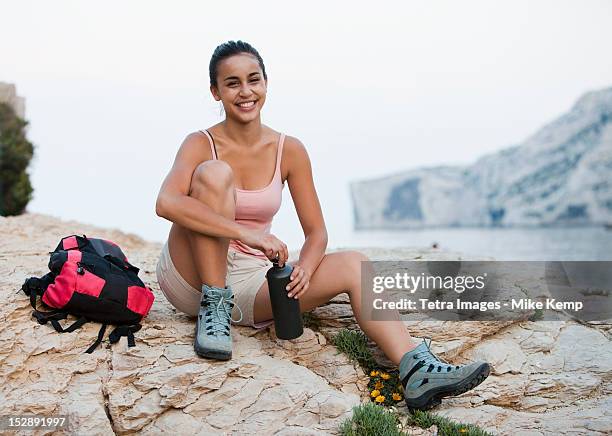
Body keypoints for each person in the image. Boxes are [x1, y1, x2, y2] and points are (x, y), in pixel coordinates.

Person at [154, 40, 490, 410]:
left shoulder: (289, 149)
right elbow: (166, 202)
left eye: (254, 80)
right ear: (216, 91)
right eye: (232, 83)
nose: (245, 92)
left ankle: (417, 371)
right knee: (215, 174)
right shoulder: (200, 142)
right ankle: (213, 306)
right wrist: (246, 232)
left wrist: (306, 269)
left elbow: (317, 233)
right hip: (192, 276)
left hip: (250, 281)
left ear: (266, 83)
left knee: (354, 264)